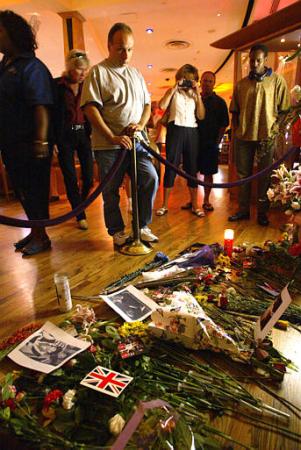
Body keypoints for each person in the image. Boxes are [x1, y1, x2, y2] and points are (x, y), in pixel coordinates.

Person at [81, 22, 158, 246]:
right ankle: (116, 231)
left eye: (130, 49)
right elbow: (90, 109)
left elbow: (146, 105)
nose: (126, 54)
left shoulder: (136, 73)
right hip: (109, 146)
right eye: (121, 48)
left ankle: (142, 225)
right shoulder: (98, 72)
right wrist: (112, 137)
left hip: (136, 142)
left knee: (149, 178)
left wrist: (141, 125)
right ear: (109, 46)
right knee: (111, 190)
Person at [0, 10, 54, 256]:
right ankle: (34, 231)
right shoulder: (6, 66)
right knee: (22, 189)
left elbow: (40, 105)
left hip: (30, 142)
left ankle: (41, 236)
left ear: (13, 33)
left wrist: (41, 140)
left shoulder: (31, 66)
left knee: (35, 190)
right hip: (10, 141)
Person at [228, 44, 290, 226]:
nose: (254, 64)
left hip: (267, 137)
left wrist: (275, 130)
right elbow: (235, 112)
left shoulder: (277, 81)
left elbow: (285, 110)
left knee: (265, 175)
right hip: (244, 136)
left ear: (265, 60)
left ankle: (263, 212)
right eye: (252, 60)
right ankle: (243, 210)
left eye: (258, 60)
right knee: (242, 175)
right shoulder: (241, 84)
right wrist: (236, 132)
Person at [156, 64, 205, 218]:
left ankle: (195, 205)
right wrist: (173, 89)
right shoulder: (173, 92)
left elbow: (201, 116)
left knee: (192, 168)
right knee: (171, 166)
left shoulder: (195, 95)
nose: (187, 83)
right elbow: (162, 105)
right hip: (175, 129)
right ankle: (164, 205)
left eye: (191, 80)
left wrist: (197, 94)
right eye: (185, 79)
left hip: (192, 131)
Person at [54, 49, 93, 230]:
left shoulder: (87, 86)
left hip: (84, 134)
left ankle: (79, 205)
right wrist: (53, 140)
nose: (83, 73)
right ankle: (80, 215)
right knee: (70, 177)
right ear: (70, 68)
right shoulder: (57, 86)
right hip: (64, 136)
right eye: (79, 69)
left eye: (85, 69)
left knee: (89, 178)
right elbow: (51, 114)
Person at [197, 71, 229, 211]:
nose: (207, 83)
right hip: (194, 142)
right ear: (200, 82)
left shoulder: (220, 102)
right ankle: (191, 200)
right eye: (205, 80)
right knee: (191, 172)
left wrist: (217, 142)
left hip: (210, 144)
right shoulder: (194, 100)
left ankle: (206, 200)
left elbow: (224, 124)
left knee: (208, 174)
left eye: (210, 81)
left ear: (214, 83)